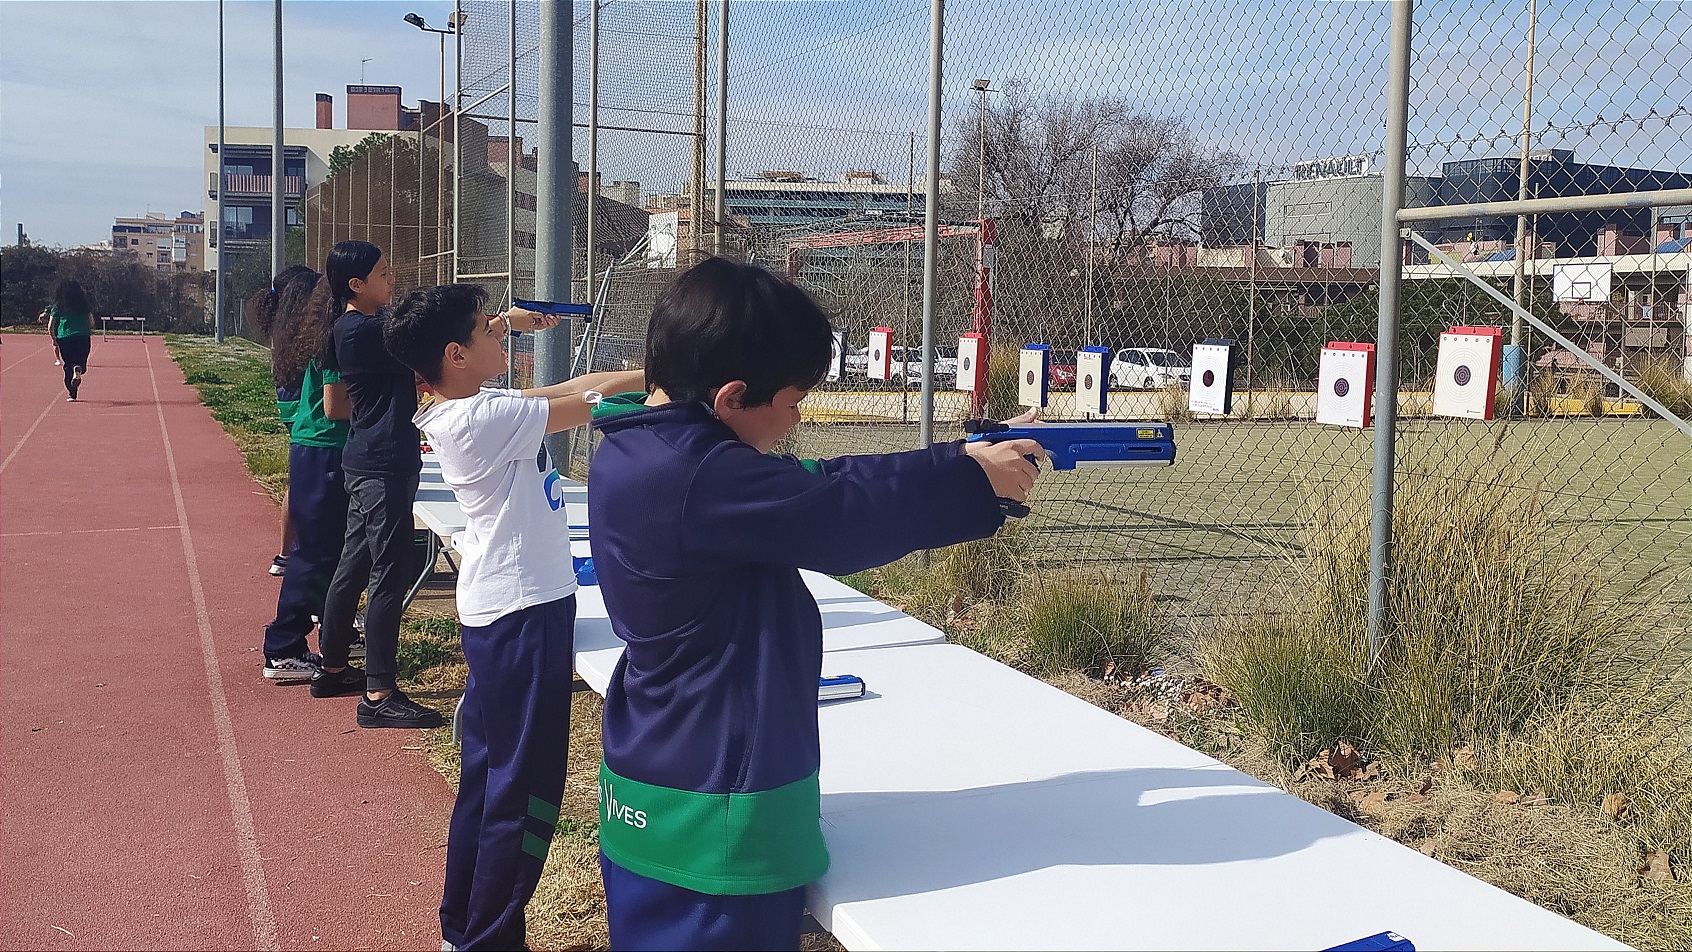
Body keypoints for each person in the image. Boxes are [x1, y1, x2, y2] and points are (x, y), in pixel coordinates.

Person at [588, 257, 1043, 951]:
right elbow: (836, 510)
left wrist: (962, 458)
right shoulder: (700, 476)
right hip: (718, 815)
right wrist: (970, 481)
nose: (796, 420)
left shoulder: (645, 448)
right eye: (794, 401)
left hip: (666, 779)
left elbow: (812, 482)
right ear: (733, 397)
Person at [383, 284, 644, 951]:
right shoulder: (479, 419)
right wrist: (668, 377)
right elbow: (586, 398)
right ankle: (490, 938)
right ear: (455, 354)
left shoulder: (468, 405)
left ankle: (464, 928)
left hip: (509, 610)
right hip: (523, 614)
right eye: (487, 329)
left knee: (489, 782)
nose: (500, 334)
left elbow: (571, 383)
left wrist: (656, 369)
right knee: (523, 793)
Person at [316, 240, 438, 728]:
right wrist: (499, 324)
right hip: (382, 465)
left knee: (354, 564)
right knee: (389, 572)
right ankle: (379, 693)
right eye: (383, 274)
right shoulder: (363, 330)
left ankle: (332, 666)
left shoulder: (360, 327)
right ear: (356, 285)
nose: (392, 280)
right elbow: (429, 340)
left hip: (372, 461)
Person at [253, 269, 364, 684]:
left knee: (329, 552)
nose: (390, 283)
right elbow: (335, 407)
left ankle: (334, 632)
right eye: (383, 275)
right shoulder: (335, 335)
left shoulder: (333, 330)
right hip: (323, 449)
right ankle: (284, 647)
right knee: (314, 554)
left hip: (320, 448)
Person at [246, 269, 311, 579]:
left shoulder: (283, 321)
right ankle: (295, 554)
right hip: (302, 406)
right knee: (304, 483)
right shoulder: (304, 325)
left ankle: (285, 554)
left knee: (297, 481)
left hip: (289, 404)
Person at [46, 281, 94, 401]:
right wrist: (85, 328)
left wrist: (54, 339)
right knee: (81, 361)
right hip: (82, 336)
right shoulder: (84, 304)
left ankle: (72, 394)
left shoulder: (58, 305)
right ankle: (78, 368)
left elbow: (50, 325)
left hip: (64, 337)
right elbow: (92, 321)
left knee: (68, 365)